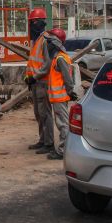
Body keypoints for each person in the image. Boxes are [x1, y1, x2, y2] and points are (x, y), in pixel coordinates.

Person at [24, 8, 54, 155]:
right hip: (35, 83)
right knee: (38, 113)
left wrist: (34, 77)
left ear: (42, 23)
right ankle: (42, 140)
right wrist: (28, 77)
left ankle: (49, 143)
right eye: (31, 22)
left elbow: (47, 65)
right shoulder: (36, 41)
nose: (32, 24)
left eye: (34, 21)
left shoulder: (46, 40)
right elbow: (33, 62)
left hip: (43, 82)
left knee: (45, 113)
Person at [45, 28, 78, 160]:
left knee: (63, 124)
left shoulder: (60, 59)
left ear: (56, 43)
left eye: (50, 42)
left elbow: (68, 78)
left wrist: (70, 91)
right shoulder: (57, 58)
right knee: (62, 123)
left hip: (60, 97)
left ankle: (63, 150)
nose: (47, 45)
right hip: (57, 97)